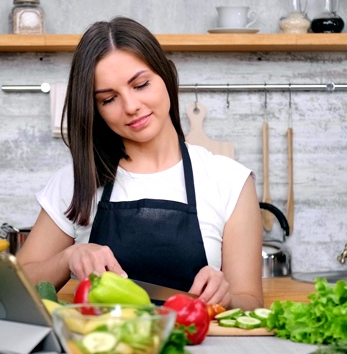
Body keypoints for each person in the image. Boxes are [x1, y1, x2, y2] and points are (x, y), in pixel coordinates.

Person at [17, 16, 263, 310]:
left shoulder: (229, 181)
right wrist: (68, 257)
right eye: (109, 99)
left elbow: (249, 302)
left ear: (166, 76)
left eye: (141, 84)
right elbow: (16, 285)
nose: (131, 107)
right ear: (95, 110)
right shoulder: (77, 180)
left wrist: (226, 297)